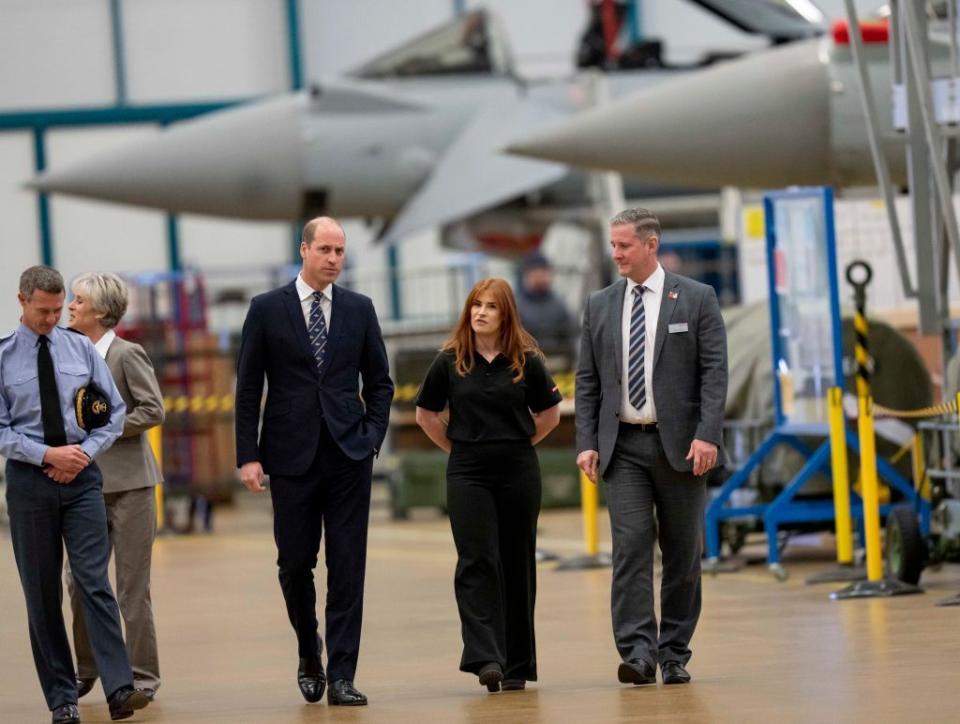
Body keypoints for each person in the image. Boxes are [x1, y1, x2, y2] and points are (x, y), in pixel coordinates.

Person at [235, 217, 393, 707]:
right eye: (324, 249)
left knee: (348, 565)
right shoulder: (266, 310)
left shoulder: (359, 309)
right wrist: (248, 457)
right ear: (303, 250)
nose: (333, 259)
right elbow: (247, 389)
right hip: (290, 456)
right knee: (295, 563)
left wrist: (370, 439)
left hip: (348, 455)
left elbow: (381, 383)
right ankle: (310, 651)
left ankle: (343, 673)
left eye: (340, 251)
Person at [575, 209, 727, 687]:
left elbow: (714, 374)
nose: (615, 253)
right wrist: (586, 442)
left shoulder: (697, 299)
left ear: (650, 244)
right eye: (613, 245)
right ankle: (638, 652)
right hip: (623, 448)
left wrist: (708, 433)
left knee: (683, 554)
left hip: (682, 448)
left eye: (623, 245)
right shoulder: (600, 305)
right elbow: (587, 380)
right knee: (631, 548)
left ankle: (674, 652)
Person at [0, 265, 150, 724]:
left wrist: (81, 455)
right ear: (23, 301)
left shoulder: (81, 348)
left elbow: (113, 412)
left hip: (82, 481)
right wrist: (48, 455)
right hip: (29, 485)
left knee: (93, 583)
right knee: (42, 594)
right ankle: (62, 698)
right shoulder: (3, 357)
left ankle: (120, 687)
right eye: (43, 311)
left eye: (57, 308)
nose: (52, 319)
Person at [415, 278, 562, 693]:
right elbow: (426, 414)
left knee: (517, 562)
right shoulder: (449, 360)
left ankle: (517, 663)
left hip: (518, 468)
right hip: (468, 471)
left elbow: (550, 413)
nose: (480, 312)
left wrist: (518, 442)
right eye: (475, 304)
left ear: (505, 314)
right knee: (477, 560)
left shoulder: (526, 362)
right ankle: (486, 659)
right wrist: (459, 448)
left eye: (490, 306)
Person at [63, 272, 165, 701]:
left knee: (130, 589)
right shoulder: (66, 355)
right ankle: (87, 668)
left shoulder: (127, 354)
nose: (70, 306)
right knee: (79, 581)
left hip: (131, 487)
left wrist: (104, 429)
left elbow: (153, 409)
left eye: (78, 300)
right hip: (84, 487)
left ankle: (143, 676)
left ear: (101, 311)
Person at [515, 251, 576, 366]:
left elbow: (571, 335)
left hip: (560, 366)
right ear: (527, 275)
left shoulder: (559, 305)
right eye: (536, 273)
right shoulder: (517, 307)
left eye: (543, 273)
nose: (540, 277)